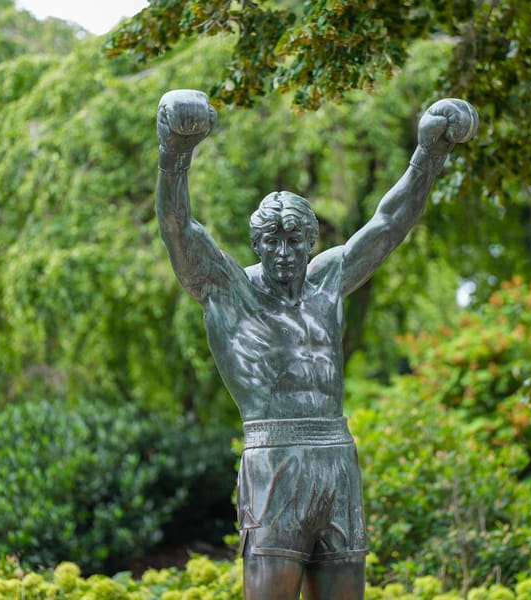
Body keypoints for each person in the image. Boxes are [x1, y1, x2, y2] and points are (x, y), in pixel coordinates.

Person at [155, 89, 477, 600]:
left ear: (311, 241)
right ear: (257, 244)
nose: (284, 254)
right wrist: (175, 151)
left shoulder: (328, 280)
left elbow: (391, 223)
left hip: (336, 460)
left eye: (296, 241)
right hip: (274, 461)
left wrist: (429, 155)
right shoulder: (230, 291)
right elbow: (179, 230)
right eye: (273, 243)